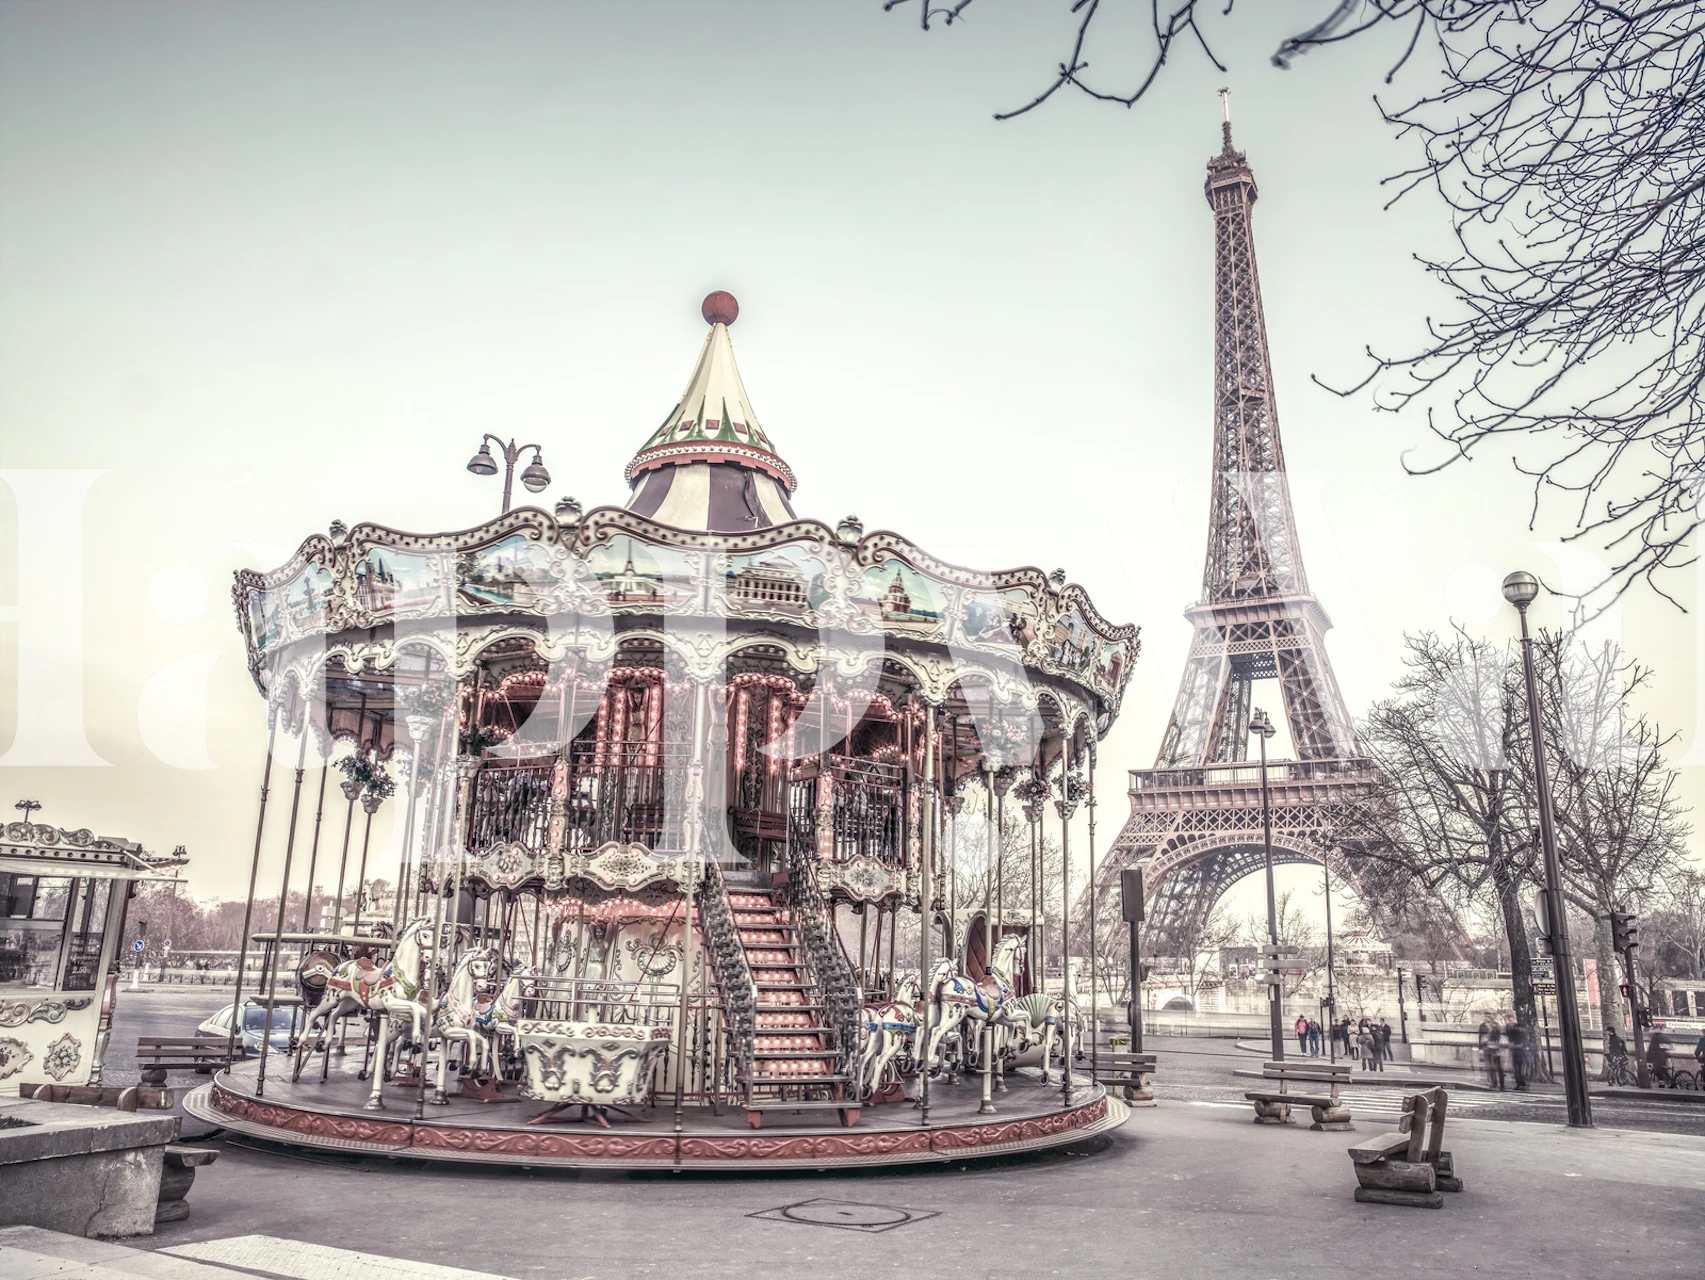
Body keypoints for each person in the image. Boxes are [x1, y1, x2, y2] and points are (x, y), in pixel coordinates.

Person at [1504, 1016, 1528, 1090]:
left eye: (1512, 1020)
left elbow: (1522, 1040)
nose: (1510, 1022)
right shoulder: (1509, 1029)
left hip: (1520, 1050)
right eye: (1509, 1021)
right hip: (1515, 1050)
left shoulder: (1518, 1029)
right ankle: (1519, 1083)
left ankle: (1523, 1084)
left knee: (1520, 1069)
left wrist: (1515, 1045)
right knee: (1516, 1069)